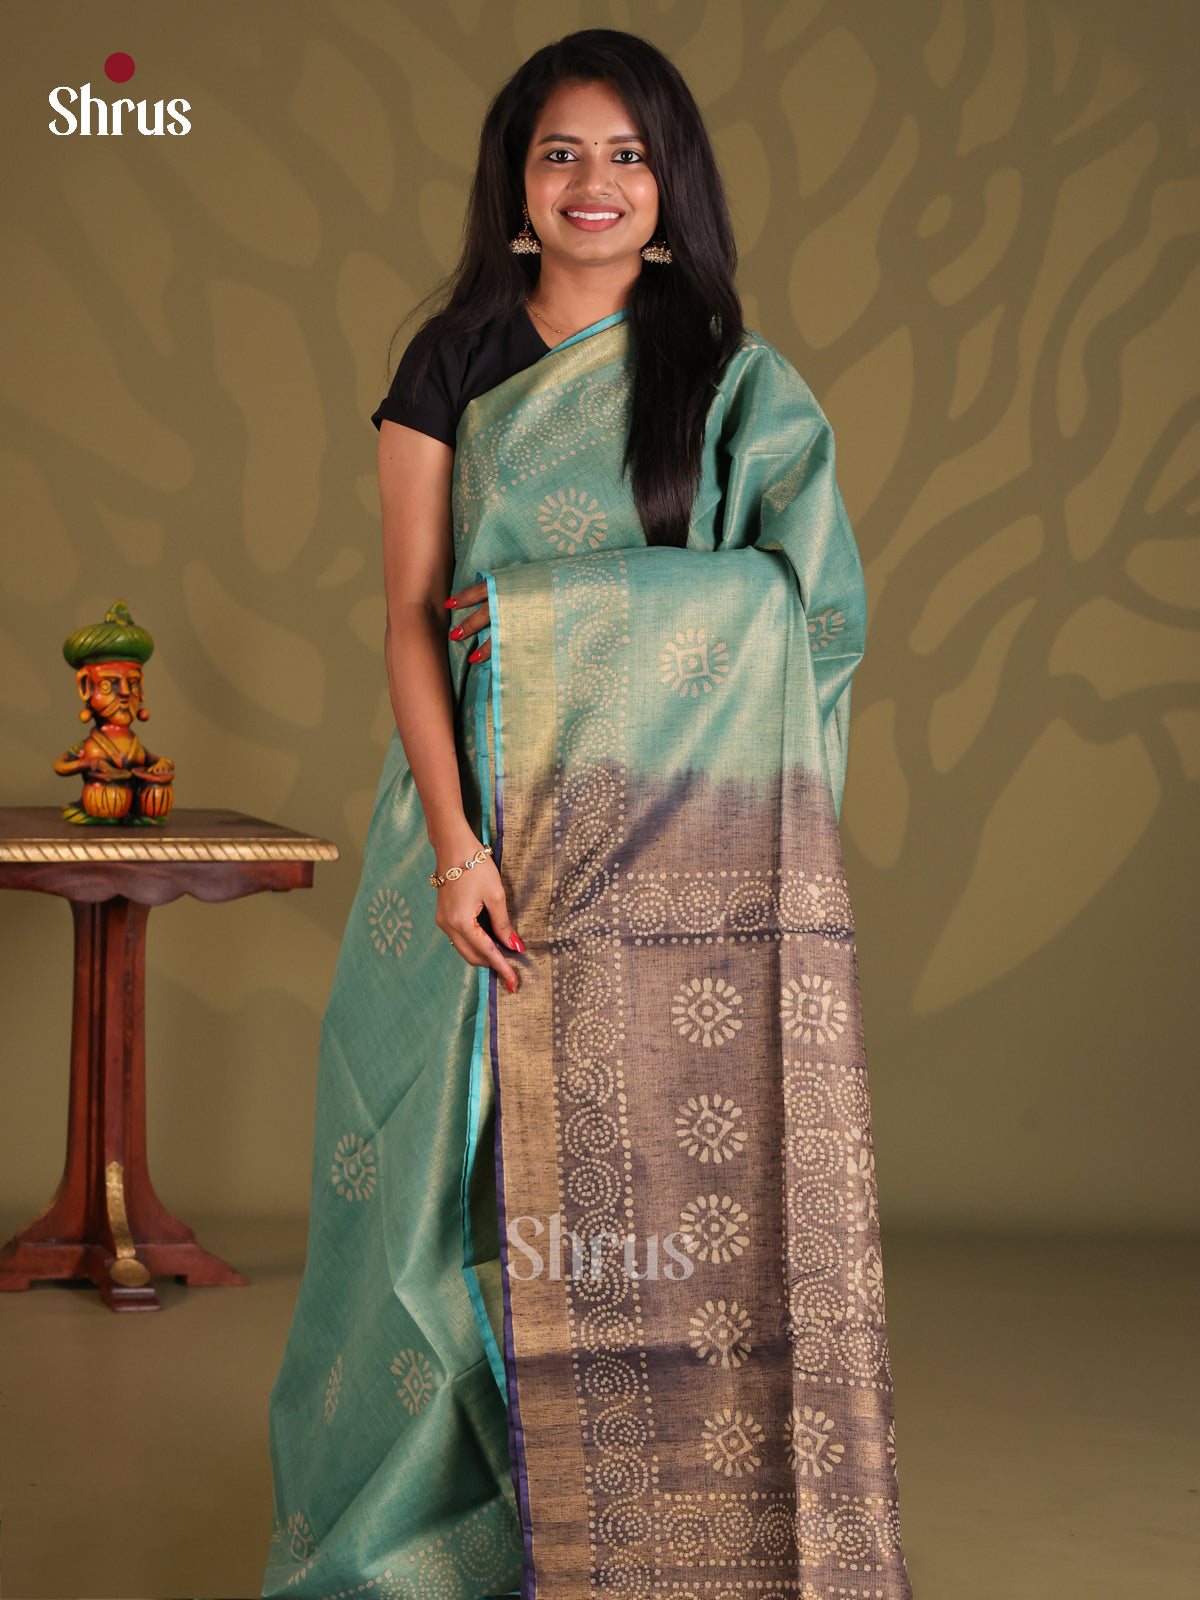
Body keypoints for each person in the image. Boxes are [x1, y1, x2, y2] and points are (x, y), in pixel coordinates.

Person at [263, 28, 914, 1600]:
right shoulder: (453, 366)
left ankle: (664, 1532)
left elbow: (809, 616)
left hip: (674, 863)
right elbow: (411, 617)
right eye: (561, 152)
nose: (594, 183)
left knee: (662, 1207)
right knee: (432, 1210)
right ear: (516, 182)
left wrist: (552, 616)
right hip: (473, 839)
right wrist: (456, 851)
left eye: (628, 154)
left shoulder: (736, 383)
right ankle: (437, 1556)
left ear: (672, 183)